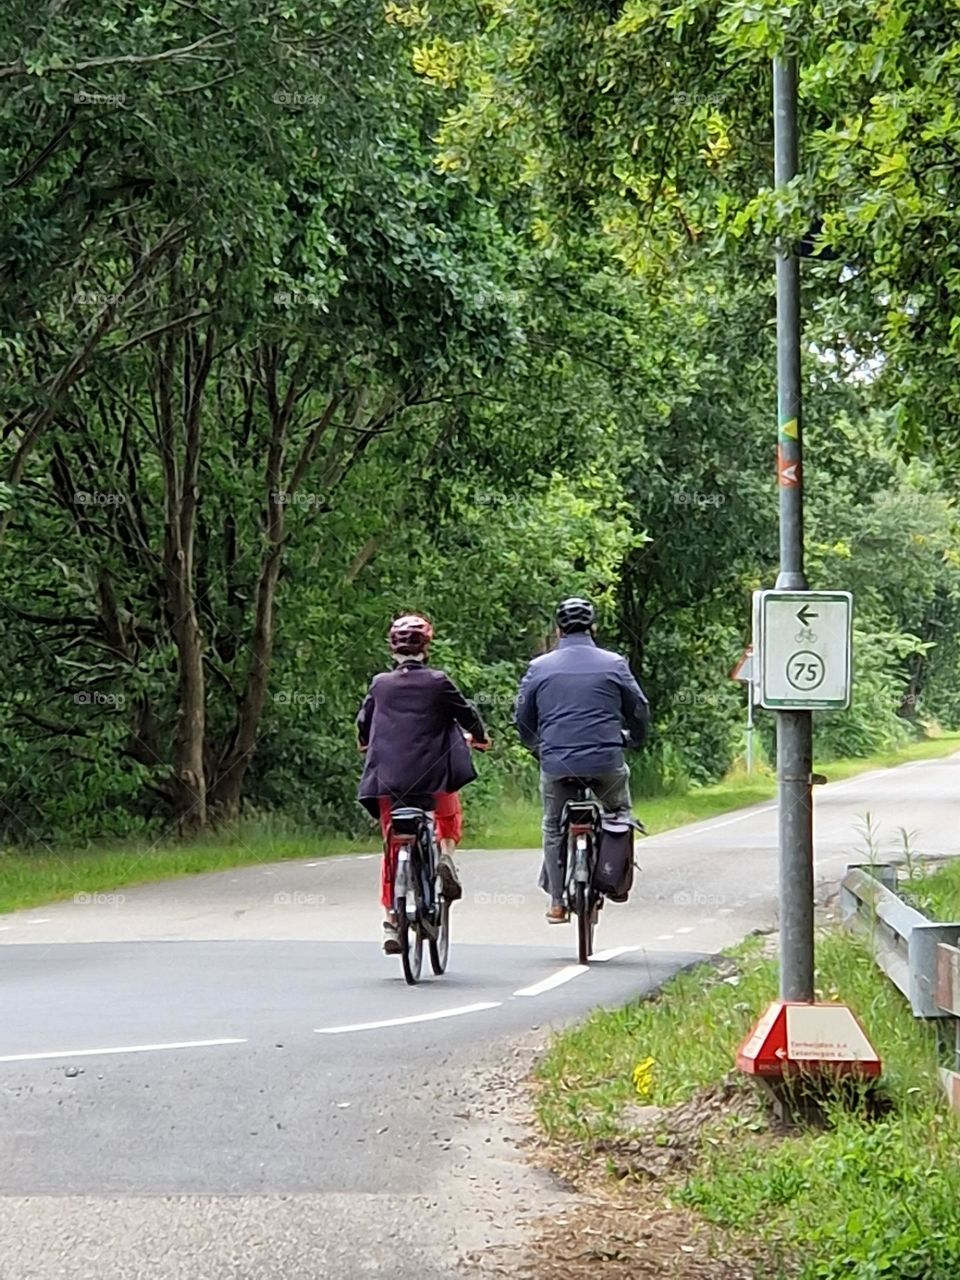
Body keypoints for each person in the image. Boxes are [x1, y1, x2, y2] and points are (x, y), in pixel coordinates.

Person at [357, 613, 490, 954]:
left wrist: (364, 742)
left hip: (387, 780)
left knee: (392, 845)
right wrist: (480, 737)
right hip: (432, 780)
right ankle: (445, 854)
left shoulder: (380, 684)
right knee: (447, 807)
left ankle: (391, 920)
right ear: (426, 648)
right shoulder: (438, 682)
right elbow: (466, 714)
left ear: (393, 649)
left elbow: (364, 722)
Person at [515, 597, 650, 922]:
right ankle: (616, 879)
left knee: (552, 825)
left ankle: (557, 902)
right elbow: (639, 707)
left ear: (558, 630)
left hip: (557, 762)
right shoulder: (614, 663)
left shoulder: (539, 667)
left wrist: (537, 747)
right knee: (618, 813)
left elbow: (522, 717)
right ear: (593, 627)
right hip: (606, 760)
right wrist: (634, 738)